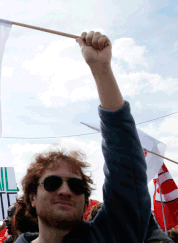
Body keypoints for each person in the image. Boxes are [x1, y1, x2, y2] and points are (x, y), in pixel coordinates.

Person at [16, 31, 151, 242]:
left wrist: (102, 69)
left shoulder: (110, 237)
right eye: (52, 183)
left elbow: (126, 166)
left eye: (76, 186)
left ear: (86, 203)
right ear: (32, 197)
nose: (65, 191)